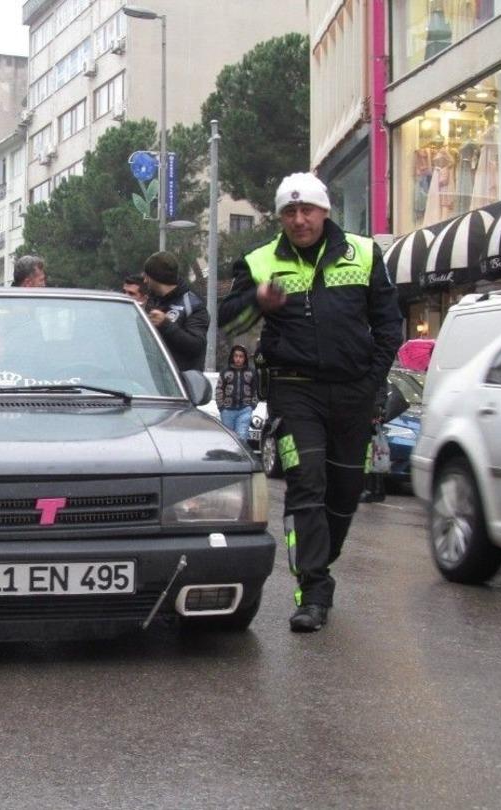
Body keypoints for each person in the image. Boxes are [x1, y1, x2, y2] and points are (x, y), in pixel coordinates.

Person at [220, 172, 402, 633]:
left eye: (308, 211)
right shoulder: (260, 260)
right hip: (293, 390)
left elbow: (388, 324)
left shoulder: (362, 252)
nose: (299, 220)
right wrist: (258, 301)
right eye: (290, 212)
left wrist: (374, 382)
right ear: (280, 217)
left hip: (353, 392)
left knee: (343, 494)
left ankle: (322, 560)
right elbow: (228, 321)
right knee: (306, 485)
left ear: (325, 212)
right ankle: (312, 591)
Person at [141, 251, 209, 372]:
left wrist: (166, 325)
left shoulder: (193, 305)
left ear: (156, 277)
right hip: (151, 382)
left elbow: (196, 346)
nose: (145, 281)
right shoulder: (151, 301)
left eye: (147, 276)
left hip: (181, 384)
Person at [217, 344, 258, 442]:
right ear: (232, 357)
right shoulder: (225, 372)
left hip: (245, 410)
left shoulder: (251, 372)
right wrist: (221, 407)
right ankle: (229, 457)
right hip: (227, 410)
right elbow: (219, 389)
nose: (238, 359)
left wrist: (252, 405)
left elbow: (256, 390)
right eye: (236, 356)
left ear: (245, 358)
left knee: (242, 437)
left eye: (241, 356)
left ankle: (241, 457)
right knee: (228, 439)